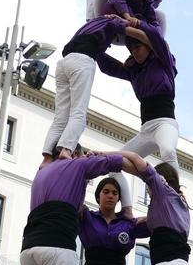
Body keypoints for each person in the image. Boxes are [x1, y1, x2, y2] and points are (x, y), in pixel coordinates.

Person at [42, 16, 130, 163]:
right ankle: (66, 149)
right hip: (82, 61)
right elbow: (127, 26)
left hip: (64, 63)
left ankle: (46, 157)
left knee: (61, 116)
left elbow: (103, 59)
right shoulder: (110, 22)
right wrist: (129, 19)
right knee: (79, 113)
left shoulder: (90, 27)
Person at [100, 20, 181, 174]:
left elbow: (154, 36)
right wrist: (98, 42)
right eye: (131, 50)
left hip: (165, 124)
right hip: (146, 130)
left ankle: (175, 194)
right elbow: (107, 67)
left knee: (168, 151)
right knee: (114, 167)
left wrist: (125, 25)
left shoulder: (163, 60)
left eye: (138, 47)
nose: (134, 52)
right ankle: (146, 183)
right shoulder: (133, 72)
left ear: (148, 47)